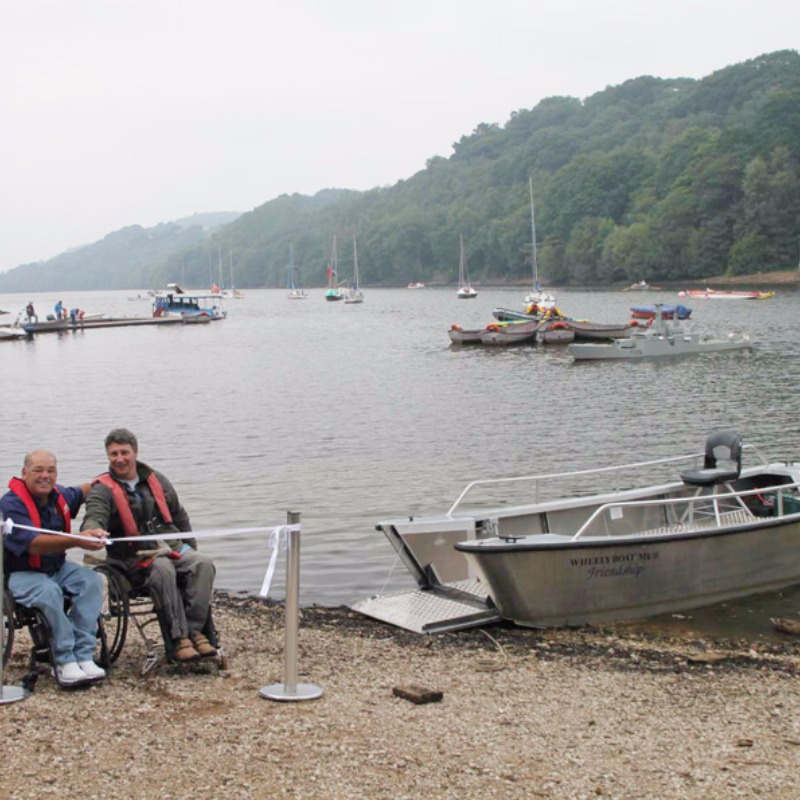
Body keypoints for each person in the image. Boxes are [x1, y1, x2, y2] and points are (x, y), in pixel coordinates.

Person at [81, 428, 217, 662]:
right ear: (108, 456)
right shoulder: (102, 490)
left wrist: (191, 547)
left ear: (135, 452)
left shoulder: (157, 480)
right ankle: (179, 637)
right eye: (113, 454)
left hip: (171, 546)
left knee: (203, 564)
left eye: (124, 452)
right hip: (131, 559)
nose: (119, 459)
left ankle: (195, 630)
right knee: (163, 568)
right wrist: (93, 529)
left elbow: (179, 515)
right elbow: (94, 515)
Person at [1, 450, 108, 686]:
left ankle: (84, 654)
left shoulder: (59, 495)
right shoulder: (11, 504)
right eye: (38, 470)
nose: (45, 476)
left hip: (57, 568)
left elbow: (86, 489)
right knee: (49, 592)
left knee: (90, 581)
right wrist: (79, 540)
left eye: (51, 470)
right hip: (18, 573)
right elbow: (34, 545)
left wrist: (111, 477)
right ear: (24, 472)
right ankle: (63, 659)